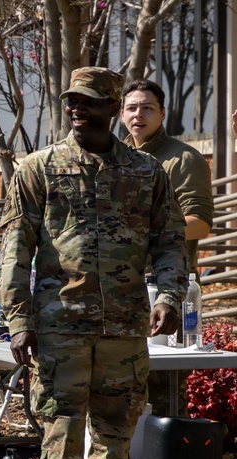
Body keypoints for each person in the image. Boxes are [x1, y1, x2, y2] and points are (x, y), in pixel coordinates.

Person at [0, 68, 188, 459]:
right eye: (71, 102)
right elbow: (15, 249)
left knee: (115, 440)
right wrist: (18, 319)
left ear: (111, 107)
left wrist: (169, 296)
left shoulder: (147, 172)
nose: (76, 110)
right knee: (61, 439)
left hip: (125, 329)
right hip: (59, 329)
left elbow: (171, 241)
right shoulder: (39, 168)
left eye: (88, 102)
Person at [121, 79, 213, 417]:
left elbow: (200, 222)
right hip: (121, 291)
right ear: (121, 114)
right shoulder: (117, 158)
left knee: (162, 394)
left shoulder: (183, 158)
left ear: (162, 113)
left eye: (147, 108)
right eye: (131, 108)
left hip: (167, 290)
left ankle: (169, 452)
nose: (138, 115)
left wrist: (142, 235)